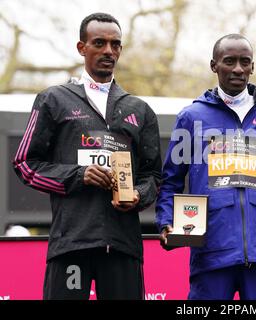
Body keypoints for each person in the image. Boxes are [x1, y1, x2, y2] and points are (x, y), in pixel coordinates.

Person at [12, 12, 162, 300]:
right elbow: (25, 164)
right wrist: (78, 175)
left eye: (115, 44)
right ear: (82, 48)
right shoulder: (53, 99)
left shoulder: (140, 110)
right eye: (99, 43)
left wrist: (138, 196)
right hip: (71, 243)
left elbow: (153, 177)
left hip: (123, 245)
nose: (108, 51)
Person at [156, 34, 256, 300]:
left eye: (245, 62)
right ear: (214, 65)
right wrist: (166, 221)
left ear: (253, 67)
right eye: (229, 61)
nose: (238, 69)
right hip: (211, 251)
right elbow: (171, 180)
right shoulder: (191, 117)